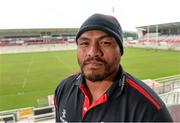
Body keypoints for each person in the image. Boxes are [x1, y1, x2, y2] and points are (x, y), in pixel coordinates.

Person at [54, 13, 173, 122]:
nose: (93, 52)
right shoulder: (63, 89)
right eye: (85, 43)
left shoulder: (149, 110)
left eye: (105, 43)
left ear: (120, 50)